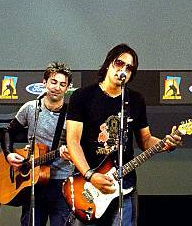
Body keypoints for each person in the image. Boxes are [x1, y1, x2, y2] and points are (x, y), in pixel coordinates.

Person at [66, 43, 181, 226]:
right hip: (87, 184)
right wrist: (90, 175)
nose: (124, 70)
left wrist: (166, 143)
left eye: (129, 68)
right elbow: (72, 141)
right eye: (120, 63)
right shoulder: (82, 96)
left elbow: (145, 141)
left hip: (124, 184)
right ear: (108, 63)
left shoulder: (135, 100)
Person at [1, 62, 74, 226]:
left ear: (68, 88)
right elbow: (8, 131)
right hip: (33, 182)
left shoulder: (72, 115)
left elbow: (80, 145)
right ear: (44, 83)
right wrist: (8, 154)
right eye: (53, 82)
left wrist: (71, 152)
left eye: (63, 84)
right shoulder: (30, 108)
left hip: (61, 183)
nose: (57, 87)